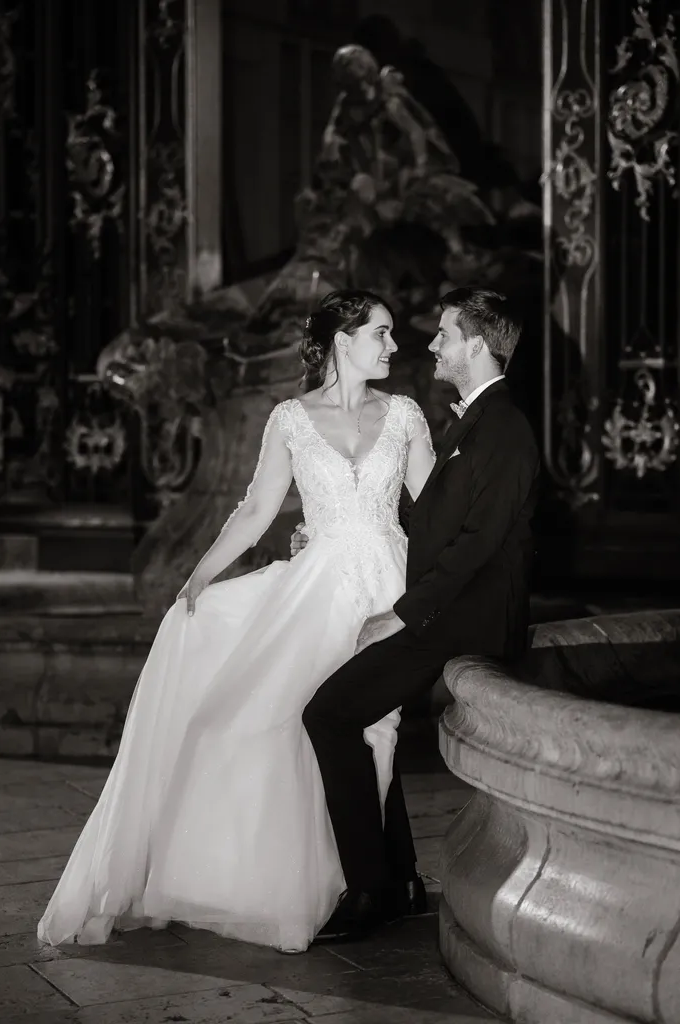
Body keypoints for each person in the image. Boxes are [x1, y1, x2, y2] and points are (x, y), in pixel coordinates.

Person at [36, 290, 437, 954]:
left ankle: (381, 882)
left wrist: (436, 581)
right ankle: (387, 879)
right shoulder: (288, 419)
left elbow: (434, 505)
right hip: (318, 588)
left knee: (367, 727)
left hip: (385, 588)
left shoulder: (403, 415)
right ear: (343, 341)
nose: (394, 347)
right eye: (381, 334)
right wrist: (199, 574)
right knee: (281, 721)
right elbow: (254, 511)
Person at [292, 286, 541, 941]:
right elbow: (439, 521)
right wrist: (330, 530)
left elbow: (476, 543)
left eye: (445, 334)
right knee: (350, 719)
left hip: (457, 619)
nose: (432, 344)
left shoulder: (505, 427)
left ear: (478, 346)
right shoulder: (475, 421)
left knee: (328, 713)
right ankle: (396, 881)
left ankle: (372, 889)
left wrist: (401, 614)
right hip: (446, 611)